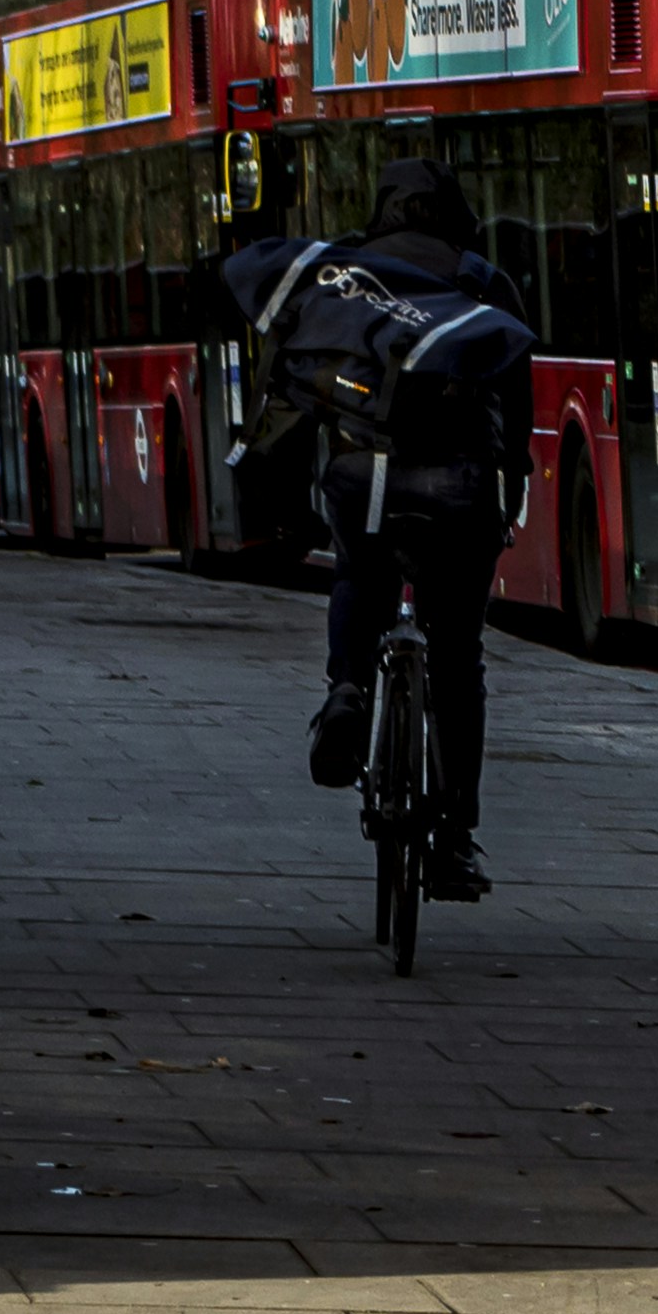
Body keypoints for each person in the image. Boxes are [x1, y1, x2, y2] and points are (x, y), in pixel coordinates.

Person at [229, 161, 536, 903]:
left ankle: (344, 689)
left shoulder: (343, 277)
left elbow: (290, 386)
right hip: (461, 488)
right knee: (458, 657)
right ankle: (454, 841)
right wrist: (512, 486)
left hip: (362, 477)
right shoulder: (484, 283)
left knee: (360, 575)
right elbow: (517, 402)